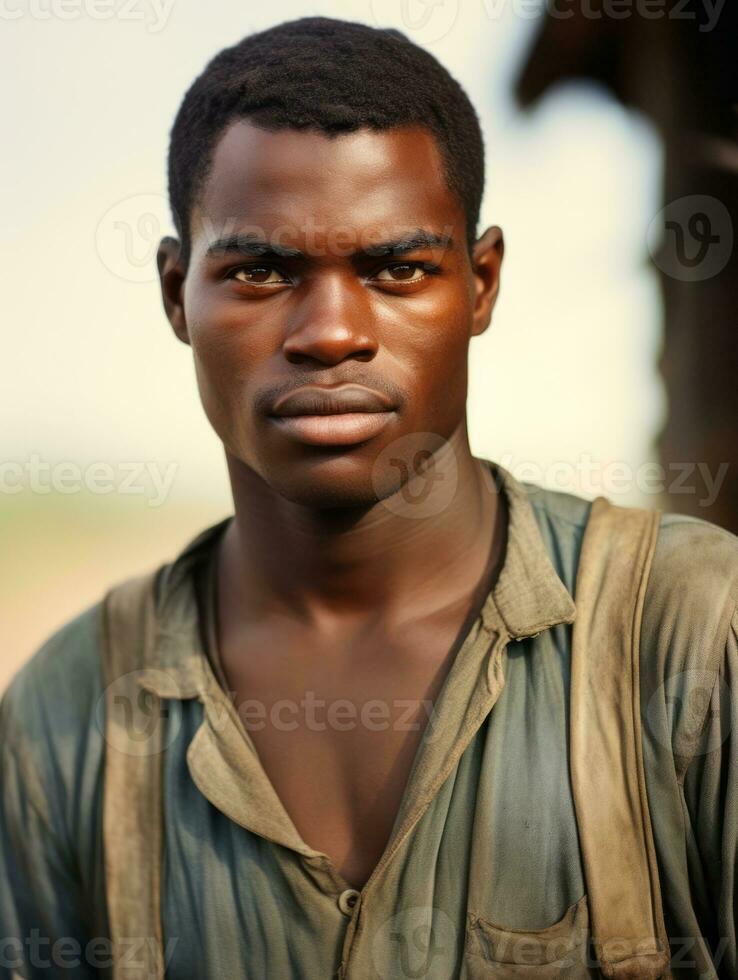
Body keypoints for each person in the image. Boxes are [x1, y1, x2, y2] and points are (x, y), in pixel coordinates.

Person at [1, 15, 736, 980]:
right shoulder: (71, 715)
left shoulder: (687, 633)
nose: (333, 333)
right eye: (260, 271)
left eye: (397, 270)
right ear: (179, 295)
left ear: (480, 285)